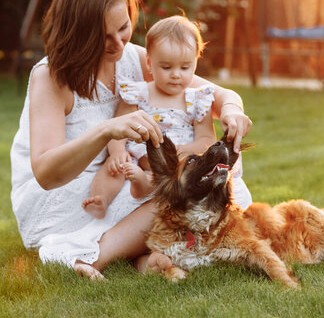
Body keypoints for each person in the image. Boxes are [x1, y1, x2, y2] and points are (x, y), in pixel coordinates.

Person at [10, 0, 253, 279]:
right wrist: (106, 132)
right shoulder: (51, 77)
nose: (118, 44)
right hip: (70, 193)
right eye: (103, 37)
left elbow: (219, 95)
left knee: (207, 187)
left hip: (124, 177)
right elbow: (46, 173)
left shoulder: (134, 57)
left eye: (123, 28)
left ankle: (145, 258)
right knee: (178, 192)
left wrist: (232, 110)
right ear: (77, 33)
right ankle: (89, 253)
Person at [82, 15, 252, 219]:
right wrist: (117, 151)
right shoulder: (138, 93)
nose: (176, 74)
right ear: (149, 62)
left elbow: (206, 140)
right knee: (113, 168)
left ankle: (146, 186)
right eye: (166, 67)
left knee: (185, 176)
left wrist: (182, 151)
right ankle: (100, 199)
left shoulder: (198, 99)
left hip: (179, 165)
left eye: (185, 67)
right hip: (139, 158)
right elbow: (118, 127)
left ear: (195, 63)